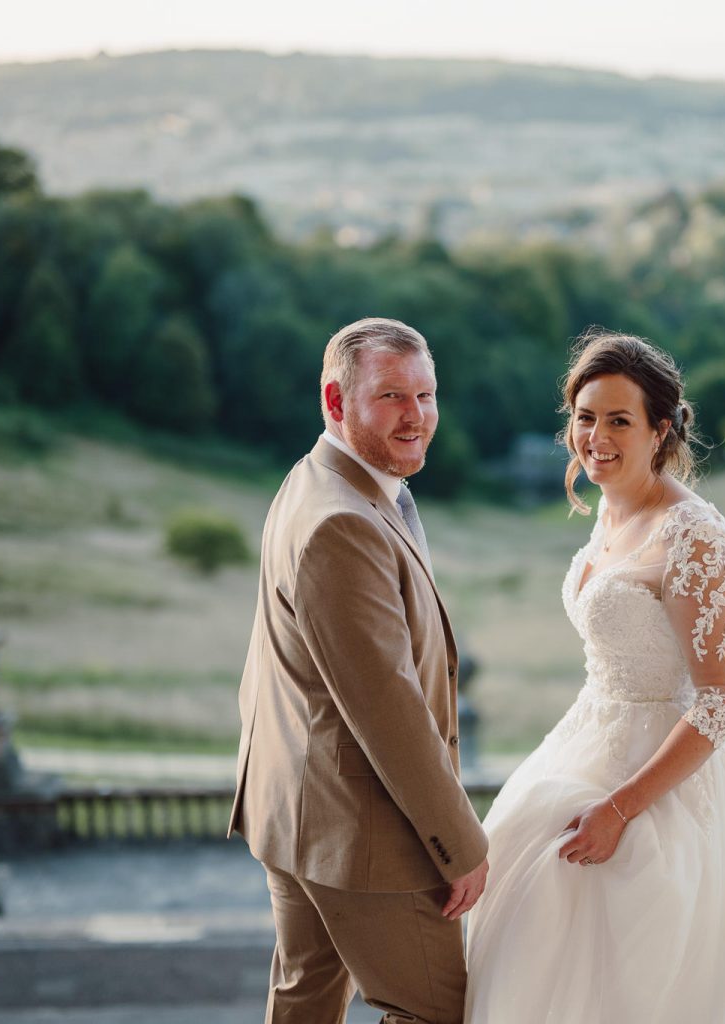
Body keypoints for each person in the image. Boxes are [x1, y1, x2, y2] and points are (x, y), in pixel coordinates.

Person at [464, 330, 725, 1022]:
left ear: (659, 429)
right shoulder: (611, 513)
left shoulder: (695, 535)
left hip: (665, 789)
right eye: (586, 417)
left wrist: (621, 809)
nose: (597, 437)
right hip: (588, 743)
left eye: (619, 420)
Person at [228, 317, 490, 1024]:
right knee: (435, 1011)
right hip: (363, 835)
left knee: (305, 1000)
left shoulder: (313, 478)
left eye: (427, 395)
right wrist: (459, 845)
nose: (418, 417)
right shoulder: (340, 521)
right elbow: (388, 708)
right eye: (392, 397)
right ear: (336, 403)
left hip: (296, 811)